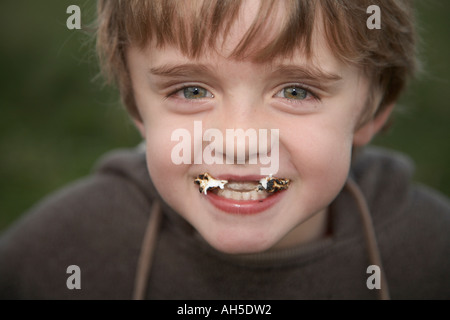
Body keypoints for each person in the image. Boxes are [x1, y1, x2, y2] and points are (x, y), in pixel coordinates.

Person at [0, 0, 449, 300]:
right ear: (136, 106)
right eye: (191, 90)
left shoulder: (431, 251)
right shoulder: (61, 250)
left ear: (372, 113)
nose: (239, 143)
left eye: (296, 91)